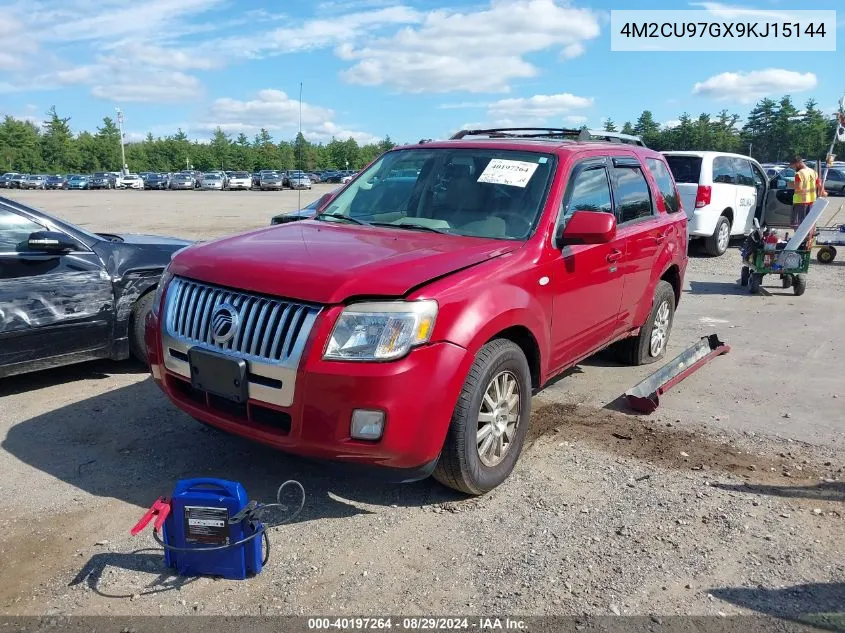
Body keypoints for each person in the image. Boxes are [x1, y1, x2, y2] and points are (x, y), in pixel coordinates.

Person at [789, 155, 818, 229]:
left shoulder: (799, 174)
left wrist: (790, 184)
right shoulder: (813, 172)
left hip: (800, 202)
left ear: (798, 163)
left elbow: (798, 188)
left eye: (793, 166)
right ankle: (808, 239)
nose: (793, 168)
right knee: (808, 224)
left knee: (799, 226)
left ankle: (801, 240)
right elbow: (818, 184)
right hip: (811, 201)